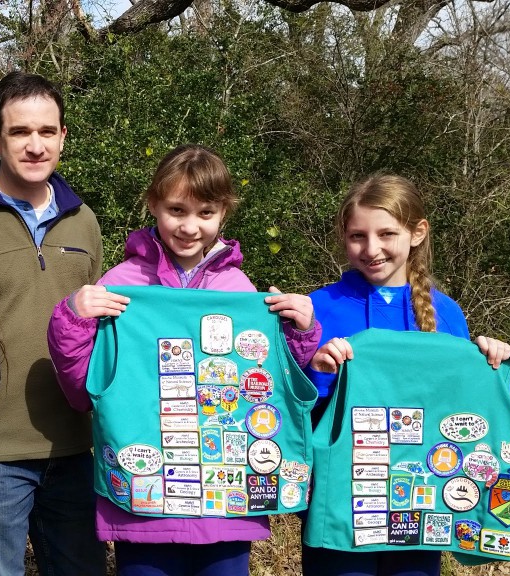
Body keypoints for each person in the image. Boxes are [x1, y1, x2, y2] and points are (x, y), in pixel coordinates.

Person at [46, 144, 322, 576]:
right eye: (177, 209)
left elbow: (272, 384)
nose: (190, 226)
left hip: (228, 508)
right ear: (153, 204)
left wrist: (300, 332)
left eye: (205, 213)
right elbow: (83, 388)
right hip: (143, 504)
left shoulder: (240, 288)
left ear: (224, 214)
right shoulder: (121, 284)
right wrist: (73, 320)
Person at [301, 173, 510, 576]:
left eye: (386, 234)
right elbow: (292, 403)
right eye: (357, 236)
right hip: (339, 498)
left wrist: (493, 366)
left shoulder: (446, 314)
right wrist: (318, 370)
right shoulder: (319, 308)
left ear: (417, 233)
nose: (371, 248)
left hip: (421, 501)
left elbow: (464, 412)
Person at [0, 71, 107, 576]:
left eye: (47, 132)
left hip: (77, 443)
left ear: (63, 136)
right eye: (20, 132)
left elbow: (102, 332)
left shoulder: (84, 220)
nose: (35, 145)